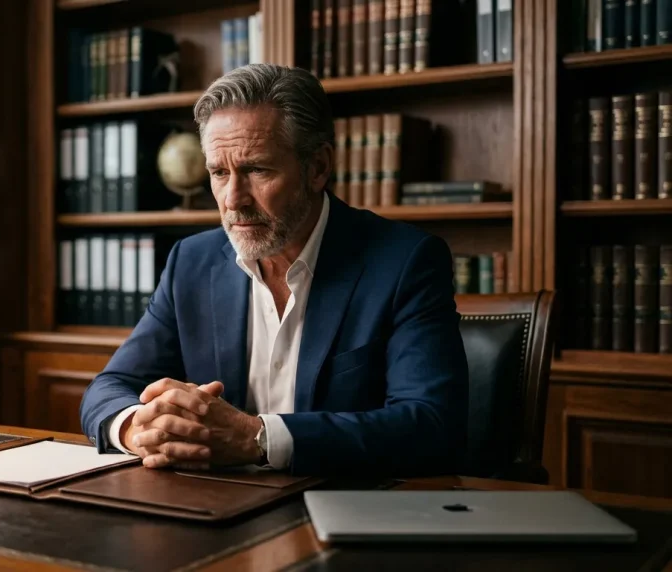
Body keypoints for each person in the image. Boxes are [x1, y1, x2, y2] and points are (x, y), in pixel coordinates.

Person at [78, 63, 468, 478]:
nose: (233, 199)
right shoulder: (191, 262)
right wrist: (137, 428)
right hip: (217, 505)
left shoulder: (405, 261)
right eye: (219, 173)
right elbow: (107, 388)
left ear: (317, 168)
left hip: (344, 507)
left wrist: (256, 438)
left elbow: (431, 425)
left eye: (256, 170)